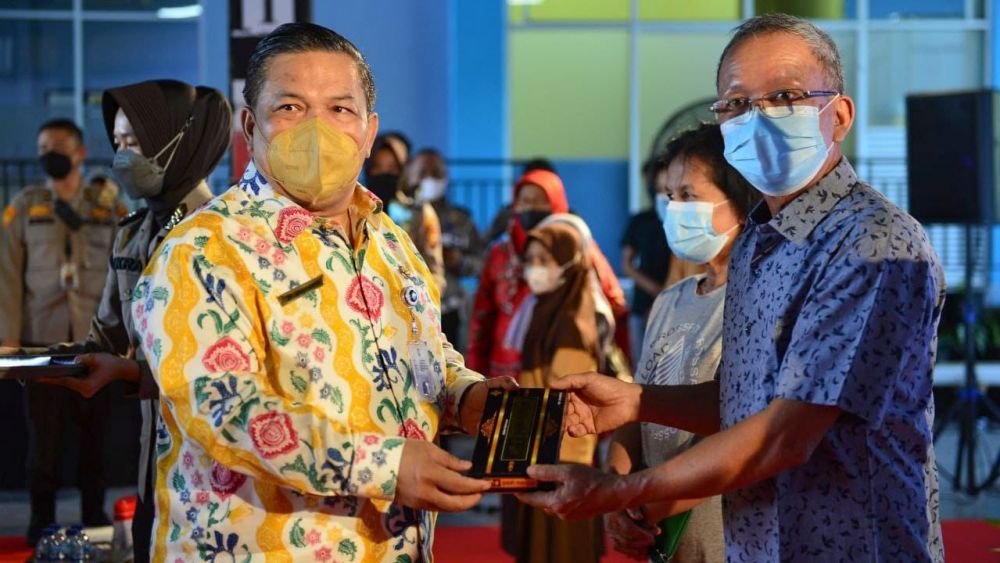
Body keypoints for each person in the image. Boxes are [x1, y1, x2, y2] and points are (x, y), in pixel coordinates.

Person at [518, 13, 945, 562]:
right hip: (754, 544)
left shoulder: (873, 241)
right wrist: (637, 402)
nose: (758, 118)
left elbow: (787, 433)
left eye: (785, 96)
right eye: (738, 103)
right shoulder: (756, 244)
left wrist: (626, 492)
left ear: (838, 116)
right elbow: (745, 399)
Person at [131, 23, 512, 561]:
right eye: (290, 107)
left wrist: (470, 399)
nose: (317, 128)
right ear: (250, 125)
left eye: (340, 109)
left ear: (369, 130)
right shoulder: (202, 250)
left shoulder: (389, 240)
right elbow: (225, 410)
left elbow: (428, 359)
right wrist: (386, 466)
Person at [35, 79, 232, 562]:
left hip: (217, 468)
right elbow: (105, 337)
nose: (123, 157)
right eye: (118, 143)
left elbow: (220, 367)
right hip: (152, 463)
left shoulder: (226, 234)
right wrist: (41, 362)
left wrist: (126, 372)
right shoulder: (132, 233)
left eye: (135, 142)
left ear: (179, 141)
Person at [606, 123, 758, 562]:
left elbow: (742, 430)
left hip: (725, 536)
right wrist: (615, 489)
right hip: (660, 533)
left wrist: (646, 504)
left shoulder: (759, 301)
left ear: (741, 203)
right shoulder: (671, 299)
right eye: (669, 196)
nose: (674, 209)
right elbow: (636, 405)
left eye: (688, 196)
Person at [0, 118, 127, 541]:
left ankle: (94, 517)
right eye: (41, 148)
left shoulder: (108, 206)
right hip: (42, 343)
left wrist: (126, 338)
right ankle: (40, 522)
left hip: (96, 342)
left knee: (96, 440)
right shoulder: (25, 206)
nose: (47, 155)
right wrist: (9, 339)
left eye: (55, 147)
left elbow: (124, 272)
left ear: (79, 153)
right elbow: (7, 276)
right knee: (44, 443)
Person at [502, 221, 604, 563]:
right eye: (530, 259)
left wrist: (558, 464)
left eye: (544, 260)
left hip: (561, 455)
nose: (535, 268)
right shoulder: (545, 309)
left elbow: (569, 402)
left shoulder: (571, 322)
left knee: (561, 548)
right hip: (537, 446)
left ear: (568, 263)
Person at [468, 169, 627, 381]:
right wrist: (475, 373)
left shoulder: (577, 248)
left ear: (557, 203)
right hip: (502, 369)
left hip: (557, 354)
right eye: (524, 201)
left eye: (540, 201)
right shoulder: (500, 253)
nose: (530, 207)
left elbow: (613, 301)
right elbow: (482, 316)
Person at [620, 157, 701, 364]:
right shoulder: (641, 221)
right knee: (643, 364)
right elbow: (627, 264)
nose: (666, 198)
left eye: (671, 192)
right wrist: (658, 292)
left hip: (682, 305)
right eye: (660, 190)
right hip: (645, 303)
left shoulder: (689, 223)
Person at [404, 148, 482, 350]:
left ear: (445, 177)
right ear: (410, 174)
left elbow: (482, 262)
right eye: (423, 173)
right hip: (407, 310)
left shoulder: (461, 219)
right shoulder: (397, 216)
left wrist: (460, 262)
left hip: (449, 311)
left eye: (436, 173)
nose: (429, 179)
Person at [364, 134, 446, 292]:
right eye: (377, 168)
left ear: (403, 170)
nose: (383, 174)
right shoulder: (354, 208)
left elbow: (434, 271)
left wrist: (422, 300)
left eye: (392, 168)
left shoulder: (420, 212)